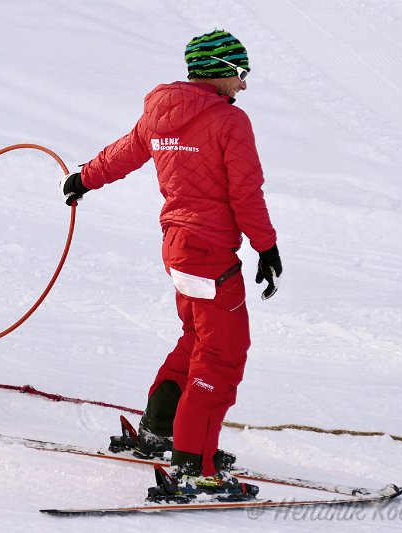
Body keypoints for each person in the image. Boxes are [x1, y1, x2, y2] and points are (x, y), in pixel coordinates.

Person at [61, 29, 282, 499]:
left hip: (178, 246)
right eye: (240, 74)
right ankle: (194, 464)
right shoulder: (228, 122)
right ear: (218, 70)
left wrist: (84, 177)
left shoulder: (161, 112)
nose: (243, 86)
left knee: (198, 336)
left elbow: (124, 152)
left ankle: (161, 429)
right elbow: (245, 192)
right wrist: (266, 247)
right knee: (221, 354)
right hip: (209, 251)